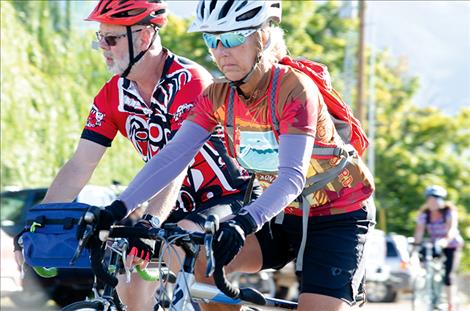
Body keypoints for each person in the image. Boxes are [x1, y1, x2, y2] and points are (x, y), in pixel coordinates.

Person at [87, 1, 375, 310]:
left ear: (262, 38)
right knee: (205, 259)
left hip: (337, 216)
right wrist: (118, 208)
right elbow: (172, 157)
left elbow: (292, 177)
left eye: (234, 38)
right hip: (279, 216)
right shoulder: (216, 96)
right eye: (212, 40)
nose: (222, 51)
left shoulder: (294, 89)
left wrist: (241, 223)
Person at [15, 1, 260, 310]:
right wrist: (42, 220)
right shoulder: (112, 95)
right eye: (100, 37)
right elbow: (81, 164)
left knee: (182, 252)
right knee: (128, 278)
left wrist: (149, 221)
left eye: (111, 38)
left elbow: (177, 162)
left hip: (225, 197)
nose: (102, 46)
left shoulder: (190, 81)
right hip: (172, 204)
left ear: (144, 37)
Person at [414, 185, 464, 311]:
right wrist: (415, 245)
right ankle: (430, 289)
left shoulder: (449, 212)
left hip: (451, 245)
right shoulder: (425, 214)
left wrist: (445, 241)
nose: (433, 202)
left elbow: (451, 229)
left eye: (436, 199)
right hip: (434, 244)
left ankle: (450, 304)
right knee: (426, 261)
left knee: (448, 275)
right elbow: (419, 231)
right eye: (430, 199)